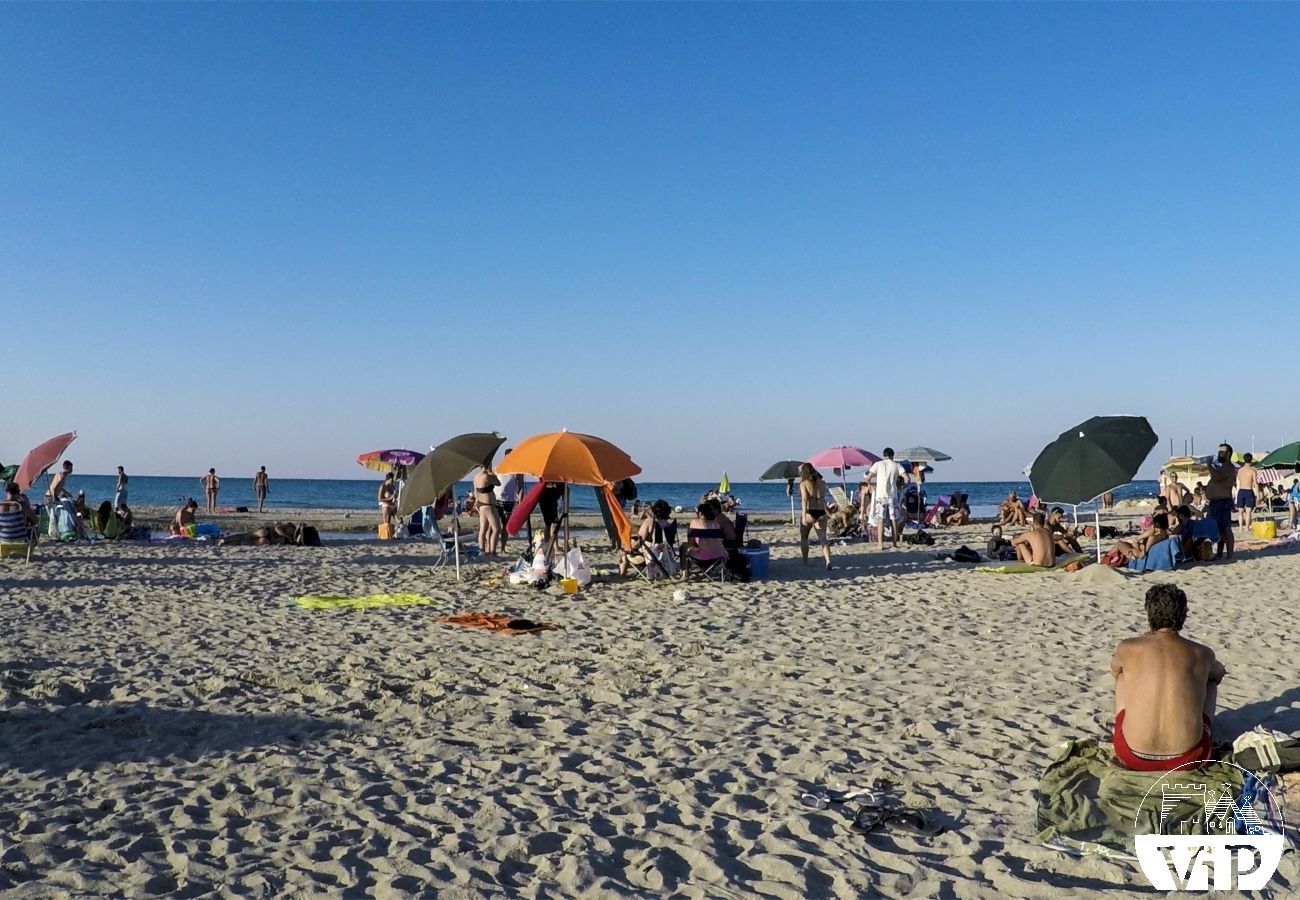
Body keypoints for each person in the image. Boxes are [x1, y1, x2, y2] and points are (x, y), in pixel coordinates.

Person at [1110, 584, 1225, 771]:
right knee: (1210, 682)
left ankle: (1127, 728)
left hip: (1133, 756)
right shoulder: (1202, 653)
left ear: (1149, 613)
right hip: (1189, 757)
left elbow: (1114, 670)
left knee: (1123, 676)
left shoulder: (1127, 647)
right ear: (1183, 614)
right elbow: (1218, 675)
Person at [866, 449, 905, 549]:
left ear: (884, 455)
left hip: (880, 496)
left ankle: (880, 543)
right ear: (892, 455)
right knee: (894, 520)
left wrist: (870, 485)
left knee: (881, 520)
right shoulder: (897, 465)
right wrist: (901, 485)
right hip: (892, 496)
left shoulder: (878, 464)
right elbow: (906, 478)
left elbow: (868, 477)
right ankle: (895, 543)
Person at [1204, 443, 1237, 559]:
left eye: (1222, 452)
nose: (1219, 454)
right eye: (1219, 451)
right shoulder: (1224, 466)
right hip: (1218, 501)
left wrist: (1209, 465)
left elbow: (1217, 476)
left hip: (1222, 501)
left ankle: (1229, 554)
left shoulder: (1228, 466)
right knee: (1220, 529)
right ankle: (1219, 553)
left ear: (1228, 454)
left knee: (1226, 528)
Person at [797, 462, 832, 568]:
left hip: (810, 511)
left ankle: (805, 561)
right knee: (823, 539)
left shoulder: (803, 484)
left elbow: (804, 500)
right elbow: (823, 498)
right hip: (821, 512)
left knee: (804, 538)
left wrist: (803, 516)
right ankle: (828, 561)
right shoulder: (823, 483)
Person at [680, 501, 728, 571]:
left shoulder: (695, 522)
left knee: (684, 546)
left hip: (705, 558)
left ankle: (684, 572)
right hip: (720, 557)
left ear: (700, 513)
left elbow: (691, 544)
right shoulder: (716, 524)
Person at [494, 454, 523, 553]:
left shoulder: (517, 471)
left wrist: (520, 500)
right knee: (494, 526)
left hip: (509, 501)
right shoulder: (498, 468)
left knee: (505, 526)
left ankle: (503, 548)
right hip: (496, 500)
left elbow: (521, 487)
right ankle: (490, 548)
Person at [473, 464, 502, 556]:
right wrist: (491, 472)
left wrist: (477, 502)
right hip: (489, 505)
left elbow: (475, 492)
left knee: (483, 529)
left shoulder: (476, 477)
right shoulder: (486, 476)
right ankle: (492, 551)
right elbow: (498, 483)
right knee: (496, 529)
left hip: (482, 505)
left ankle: (482, 550)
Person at [1235, 452, 1258, 529]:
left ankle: (1241, 527)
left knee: (1240, 511)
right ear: (1251, 460)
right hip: (1249, 491)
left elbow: (1237, 481)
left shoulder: (1239, 470)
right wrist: (1257, 494)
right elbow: (1255, 483)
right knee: (1248, 512)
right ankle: (1247, 528)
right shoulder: (1252, 471)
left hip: (1241, 491)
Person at [539, 481, 565, 546]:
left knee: (549, 524)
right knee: (551, 524)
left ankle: (549, 544)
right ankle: (552, 545)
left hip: (547, 496)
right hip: (548, 496)